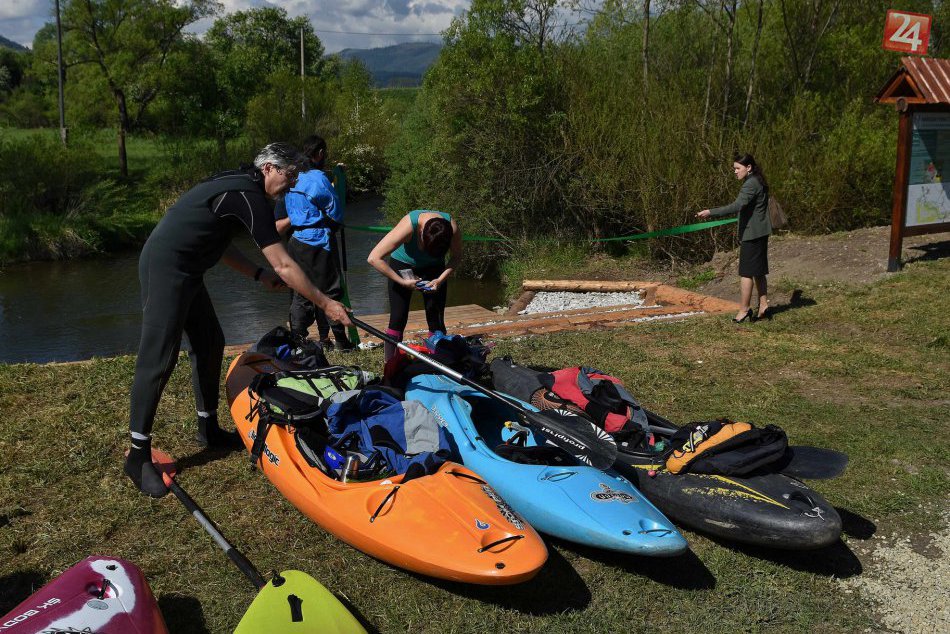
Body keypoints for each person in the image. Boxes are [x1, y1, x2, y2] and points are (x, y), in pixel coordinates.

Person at [125, 142, 352, 498]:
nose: (291, 185)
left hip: (189, 268)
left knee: (210, 342)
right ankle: (137, 456)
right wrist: (325, 303)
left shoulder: (243, 189)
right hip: (165, 267)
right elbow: (285, 264)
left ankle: (208, 428)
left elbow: (218, 243)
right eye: (289, 176)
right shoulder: (248, 196)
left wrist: (257, 274)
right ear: (269, 169)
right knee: (159, 356)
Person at [274, 135, 353, 351]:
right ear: (319, 154)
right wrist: (331, 228)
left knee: (301, 290)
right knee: (331, 290)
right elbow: (335, 211)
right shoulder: (318, 177)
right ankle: (341, 341)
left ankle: (297, 340)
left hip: (295, 241)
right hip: (317, 241)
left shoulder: (293, 177)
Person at [367, 210, 462, 360]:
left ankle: (440, 362)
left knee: (436, 318)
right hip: (403, 266)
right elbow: (373, 258)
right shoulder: (409, 225)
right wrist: (402, 281)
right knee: (398, 318)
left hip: (434, 269)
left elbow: (457, 256)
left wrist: (440, 279)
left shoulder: (451, 227)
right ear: (421, 233)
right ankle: (390, 364)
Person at [697, 153, 772, 322]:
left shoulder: (750, 184)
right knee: (758, 272)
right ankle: (764, 305)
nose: (735, 172)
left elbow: (737, 206)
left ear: (749, 167)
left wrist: (711, 212)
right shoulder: (758, 180)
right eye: (734, 169)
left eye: (737, 168)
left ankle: (744, 310)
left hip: (752, 234)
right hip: (761, 232)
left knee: (746, 273)